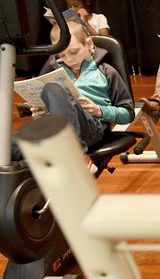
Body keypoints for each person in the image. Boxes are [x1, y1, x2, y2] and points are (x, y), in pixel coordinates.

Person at [11, 21, 134, 173]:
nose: (69, 59)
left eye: (74, 52)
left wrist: (99, 110)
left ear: (89, 44)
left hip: (89, 128)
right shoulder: (53, 71)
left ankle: (77, 157)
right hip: (53, 131)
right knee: (6, 145)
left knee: (54, 88)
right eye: (62, 55)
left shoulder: (106, 72)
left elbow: (128, 114)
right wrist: (41, 112)